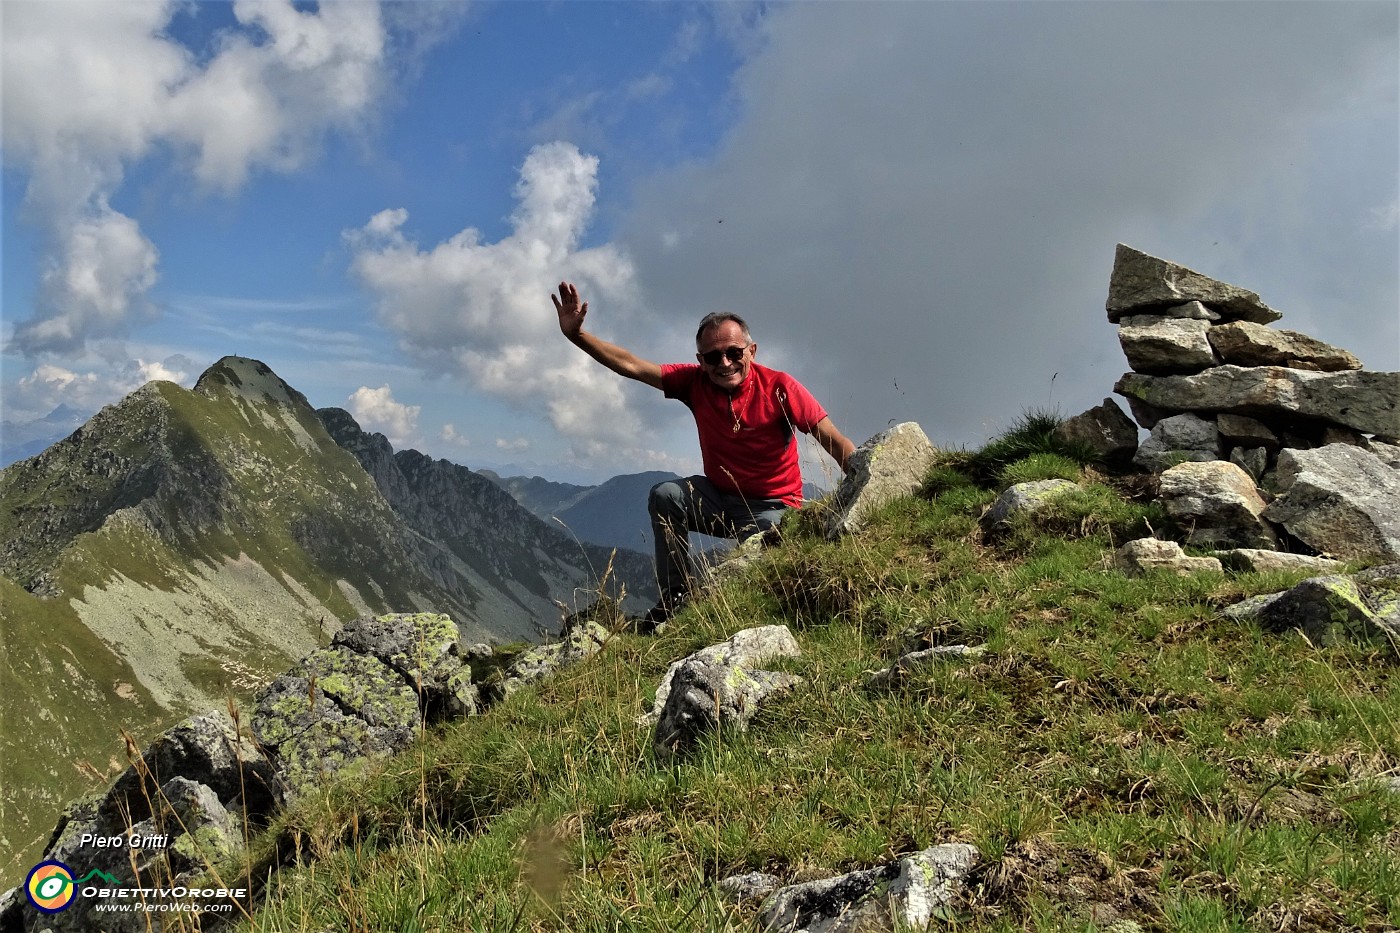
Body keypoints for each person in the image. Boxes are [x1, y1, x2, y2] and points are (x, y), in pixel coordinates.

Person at [552, 281, 856, 627]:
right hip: (718, 500)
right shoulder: (694, 381)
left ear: (752, 350)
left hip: (774, 509)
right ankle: (676, 599)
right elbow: (631, 365)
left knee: (757, 579)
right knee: (666, 496)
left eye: (733, 352)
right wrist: (577, 336)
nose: (724, 363)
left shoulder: (781, 387)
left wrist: (868, 485)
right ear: (701, 360)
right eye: (712, 357)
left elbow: (832, 438)